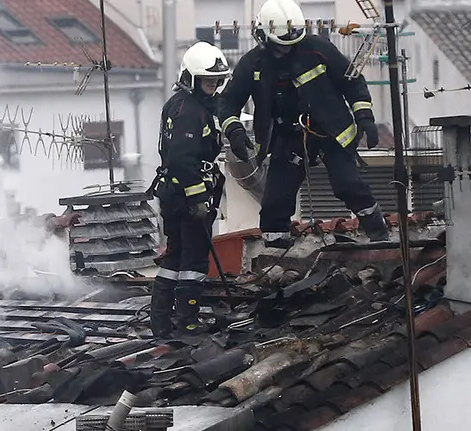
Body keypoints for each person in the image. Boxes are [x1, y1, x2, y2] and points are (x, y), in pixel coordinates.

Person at [216, 0, 390, 249]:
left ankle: (379, 235)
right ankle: (275, 258)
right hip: (288, 138)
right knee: (275, 203)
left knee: (349, 185)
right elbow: (227, 103)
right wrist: (234, 130)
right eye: (280, 46)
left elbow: (352, 81)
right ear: (263, 37)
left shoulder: (318, 48)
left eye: (292, 44)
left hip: (332, 132)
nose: (286, 50)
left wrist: (364, 117)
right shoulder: (253, 64)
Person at [148, 41, 230, 338]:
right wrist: (198, 199)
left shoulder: (188, 104)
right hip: (186, 197)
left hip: (174, 196)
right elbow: (182, 159)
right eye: (209, 82)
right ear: (192, 78)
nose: (214, 87)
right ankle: (188, 322)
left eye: (217, 82)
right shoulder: (188, 110)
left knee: (175, 257)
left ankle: (161, 322)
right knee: (193, 260)